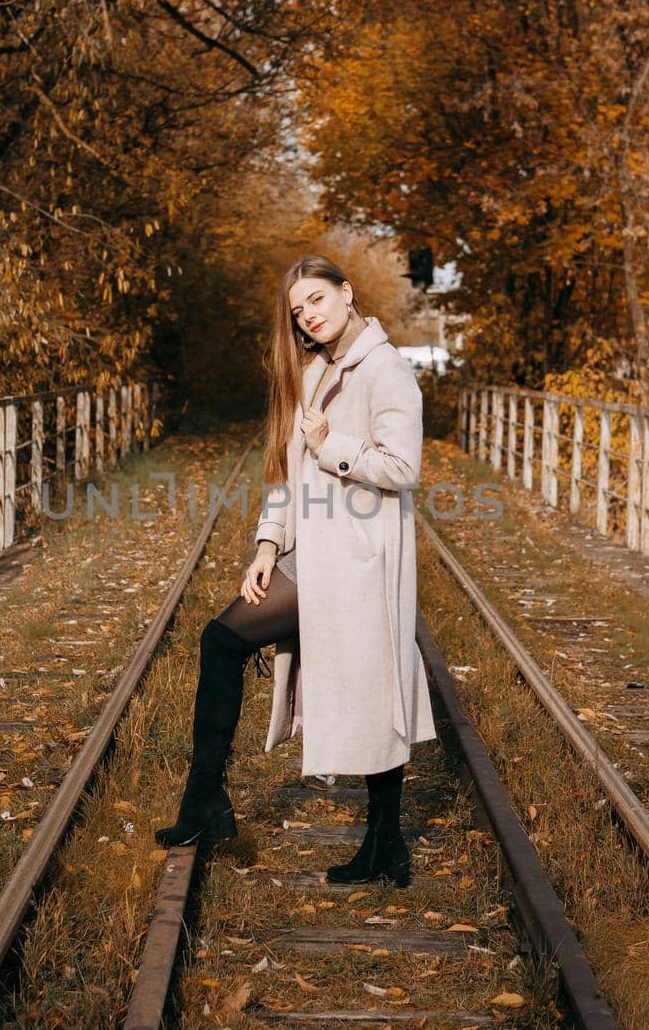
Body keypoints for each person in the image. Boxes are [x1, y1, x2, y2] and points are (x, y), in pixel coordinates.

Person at [153, 253, 437, 888]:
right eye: (298, 310)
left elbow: (402, 468)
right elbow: (286, 477)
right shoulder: (311, 374)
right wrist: (264, 545)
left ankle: (383, 845)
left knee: (374, 693)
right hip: (308, 557)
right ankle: (207, 803)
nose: (309, 316)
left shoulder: (387, 372)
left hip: (358, 561)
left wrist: (329, 444)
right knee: (222, 640)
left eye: (317, 300)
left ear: (346, 292)